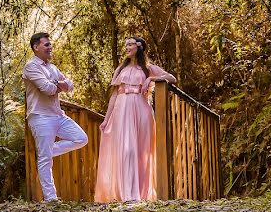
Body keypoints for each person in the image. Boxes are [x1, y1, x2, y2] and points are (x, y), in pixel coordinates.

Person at [94, 36, 177, 202]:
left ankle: (140, 193)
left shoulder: (148, 68)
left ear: (139, 47)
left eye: (130, 44)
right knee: (126, 150)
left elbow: (172, 78)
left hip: (141, 109)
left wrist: (152, 78)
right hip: (122, 109)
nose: (127, 47)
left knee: (140, 151)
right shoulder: (120, 70)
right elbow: (114, 96)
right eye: (126, 44)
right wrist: (106, 118)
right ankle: (127, 194)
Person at [22, 32, 88, 202]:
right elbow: (47, 89)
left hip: (58, 115)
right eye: (46, 45)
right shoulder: (31, 66)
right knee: (45, 160)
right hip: (40, 117)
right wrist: (60, 85)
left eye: (50, 44)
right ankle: (51, 199)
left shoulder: (52, 67)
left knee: (81, 138)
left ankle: (49, 150)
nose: (50, 47)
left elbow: (70, 85)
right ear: (36, 47)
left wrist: (59, 85)